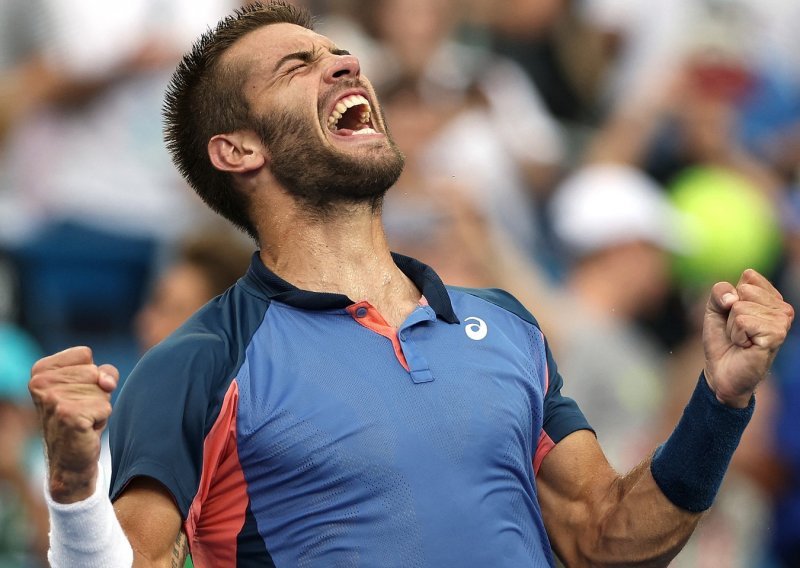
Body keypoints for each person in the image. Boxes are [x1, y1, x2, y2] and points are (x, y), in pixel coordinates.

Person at [27, 2, 794, 567]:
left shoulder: (508, 326)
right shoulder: (194, 365)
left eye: (338, 54)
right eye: (298, 65)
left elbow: (603, 536)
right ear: (237, 149)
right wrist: (70, 488)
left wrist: (718, 403)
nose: (345, 63)